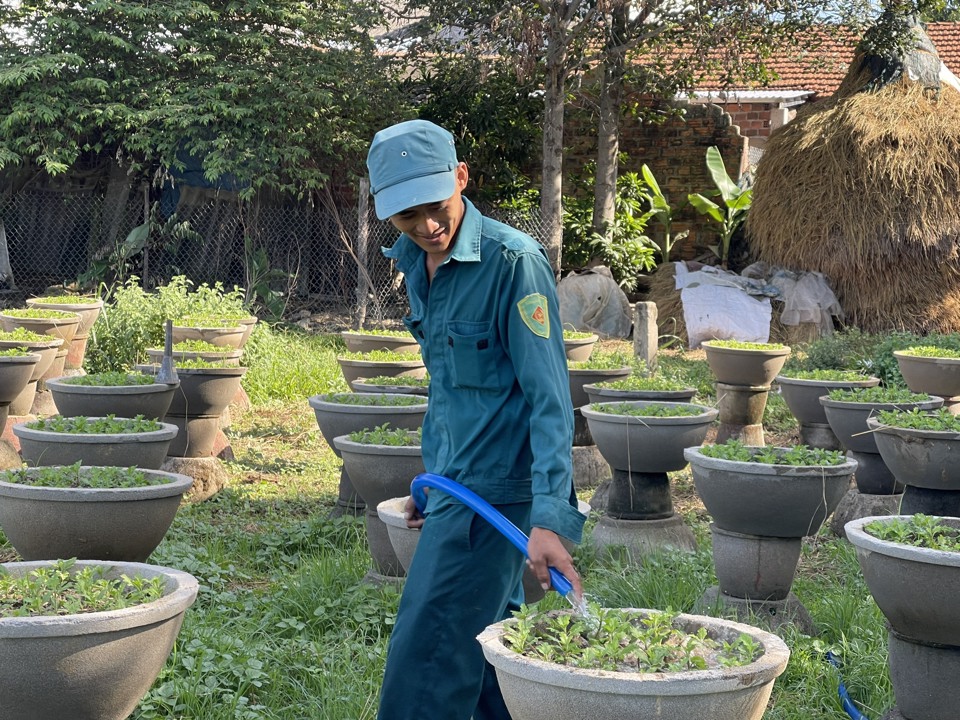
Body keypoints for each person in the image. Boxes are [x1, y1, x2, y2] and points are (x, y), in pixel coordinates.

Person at [366, 118, 586, 720]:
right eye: (407, 217)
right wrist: (433, 483)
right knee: (487, 658)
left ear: (462, 177)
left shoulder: (513, 264)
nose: (427, 227)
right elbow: (451, 392)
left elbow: (549, 401)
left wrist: (548, 519)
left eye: (436, 208)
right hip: (456, 488)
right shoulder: (415, 262)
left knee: (424, 663)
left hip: (496, 495)